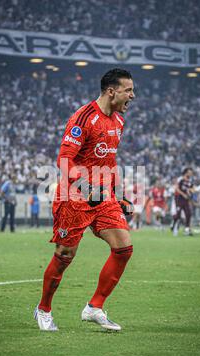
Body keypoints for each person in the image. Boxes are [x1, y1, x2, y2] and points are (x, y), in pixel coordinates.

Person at [34, 68, 135, 331]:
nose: (132, 96)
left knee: (124, 248)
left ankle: (94, 307)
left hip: (102, 197)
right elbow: (64, 161)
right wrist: (87, 187)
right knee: (65, 254)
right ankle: (43, 309)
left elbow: (110, 162)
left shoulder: (119, 122)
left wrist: (120, 195)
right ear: (111, 91)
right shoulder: (83, 117)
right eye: (128, 90)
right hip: (74, 197)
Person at [172, 168, 194, 236]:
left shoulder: (190, 180)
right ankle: (174, 225)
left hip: (186, 199)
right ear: (186, 173)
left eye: (191, 172)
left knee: (188, 214)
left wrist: (192, 191)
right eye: (190, 172)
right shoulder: (180, 179)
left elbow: (192, 188)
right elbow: (176, 188)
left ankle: (187, 229)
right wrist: (183, 194)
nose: (191, 174)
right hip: (179, 198)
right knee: (178, 214)